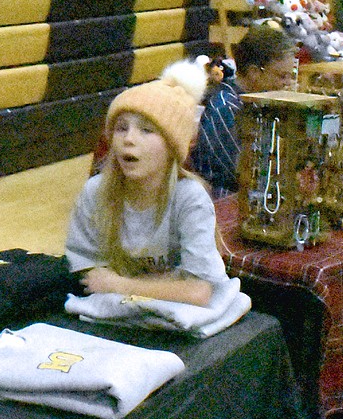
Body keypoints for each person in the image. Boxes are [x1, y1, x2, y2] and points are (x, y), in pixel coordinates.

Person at [65, 60, 229, 307]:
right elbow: (91, 276)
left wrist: (122, 285)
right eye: (121, 128)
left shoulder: (190, 197)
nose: (128, 139)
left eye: (146, 130)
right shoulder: (96, 191)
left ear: (172, 147)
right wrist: (166, 285)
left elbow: (199, 292)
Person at [189, 22, 296, 197]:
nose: (287, 84)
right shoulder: (225, 108)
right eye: (282, 76)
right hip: (222, 203)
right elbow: (244, 174)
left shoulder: (261, 104)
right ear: (254, 72)